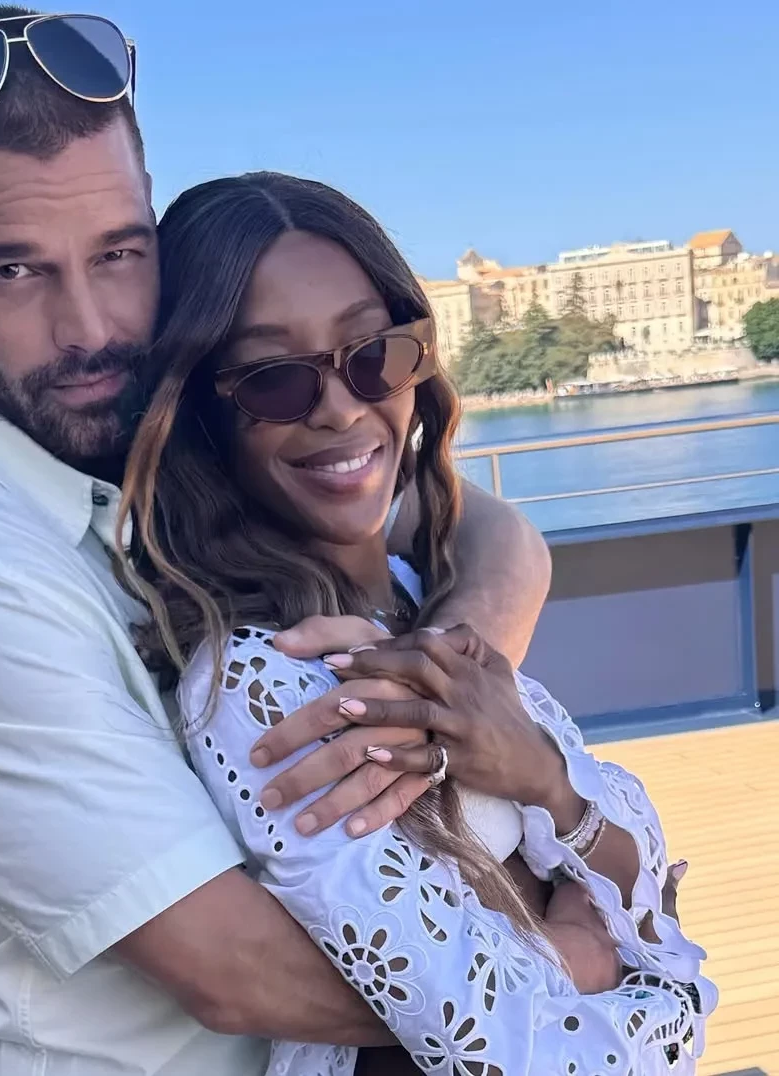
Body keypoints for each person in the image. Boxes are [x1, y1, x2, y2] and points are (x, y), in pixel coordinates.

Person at [0, 7, 552, 1074]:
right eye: (14, 271)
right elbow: (237, 972)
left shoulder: (159, 414)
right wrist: (588, 969)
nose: (90, 327)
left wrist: (438, 682)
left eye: (119, 252)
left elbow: (484, 524)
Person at [119, 172, 716, 1074]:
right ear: (201, 414)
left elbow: (639, 885)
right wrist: (630, 965)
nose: (341, 407)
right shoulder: (258, 680)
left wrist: (544, 778)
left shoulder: (416, 589)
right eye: (274, 379)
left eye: (374, 354)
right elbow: (510, 1045)